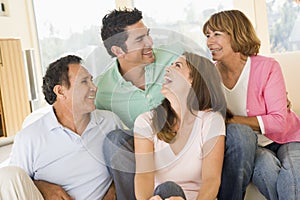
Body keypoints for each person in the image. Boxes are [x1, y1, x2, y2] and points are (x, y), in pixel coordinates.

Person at [96, 7, 257, 200]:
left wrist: (266, 90)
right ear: (118, 50)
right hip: (148, 139)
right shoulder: (102, 91)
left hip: (193, 127)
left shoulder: (174, 53)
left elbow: (206, 76)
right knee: (115, 141)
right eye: (139, 39)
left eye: (147, 34)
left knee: (241, 134)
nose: (150, 42)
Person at [203, 9, 300, 200]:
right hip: (252, 147)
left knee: (294, 176)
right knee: (266, 171)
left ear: (236, 34)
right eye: (207, 35)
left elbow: (279, 122)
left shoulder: (267, 67)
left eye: (216, 34)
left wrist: (230, 120)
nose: (209, 42)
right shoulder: (209, 76)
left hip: (286, 137)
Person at [0, 55, 123, 200]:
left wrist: (115, 189)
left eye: (91, 80)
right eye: (84, 82)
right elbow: (15, 185)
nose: (94, 88)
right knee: (6, 175)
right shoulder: (30, 137)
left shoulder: (110, 122)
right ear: (60, 91)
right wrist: (41, 186)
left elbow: (131, 164)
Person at [134, 52, 226, 200]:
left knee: (169, 188)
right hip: (160, 197)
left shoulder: (211, 121)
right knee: (167, 189)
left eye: (177, 65)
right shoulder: (146, 121)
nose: (168, 69)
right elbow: (144, 175)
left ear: (193, 81)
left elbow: (211, 180)